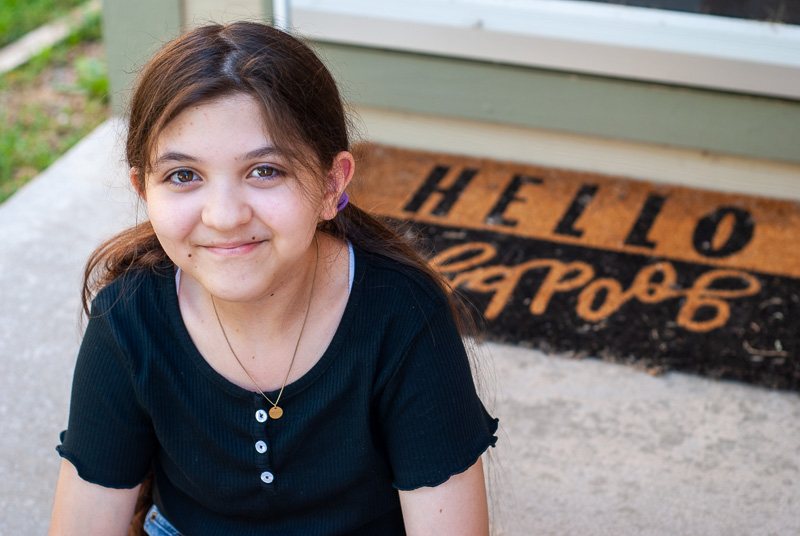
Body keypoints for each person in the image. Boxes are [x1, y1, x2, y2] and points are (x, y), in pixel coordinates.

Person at [49, 21, 498, 536]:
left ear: (331, 184)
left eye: (265, 170)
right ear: (144, 190)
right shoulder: (129, 317)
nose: (224, 216)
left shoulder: (400, 313)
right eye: (183, 175)